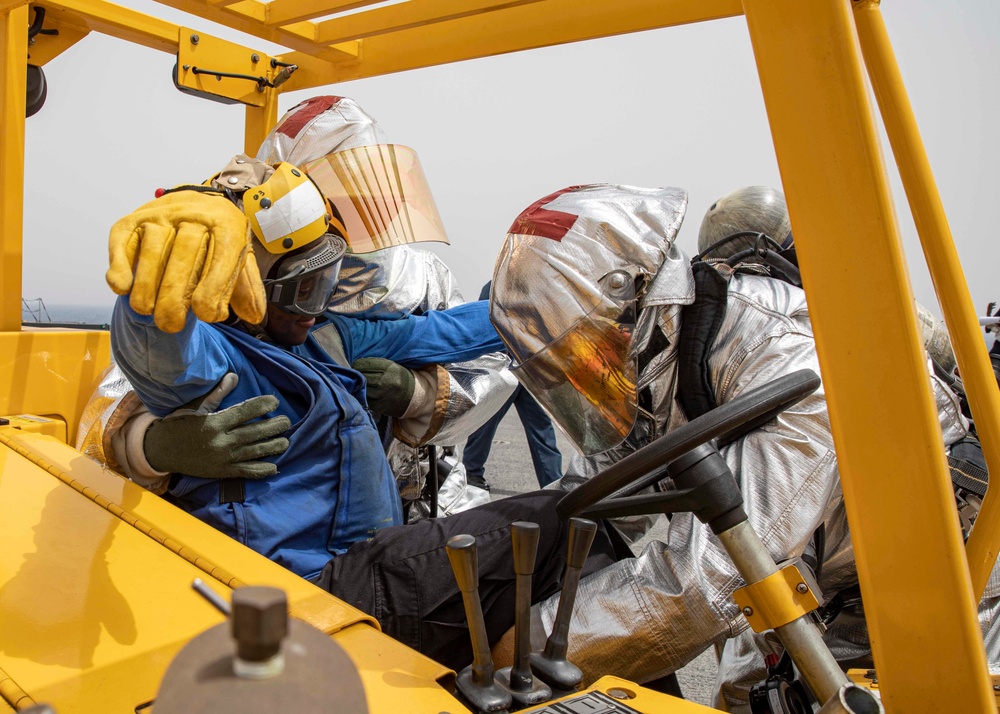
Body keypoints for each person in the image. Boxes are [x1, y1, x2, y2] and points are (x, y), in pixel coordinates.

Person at [488, 183, 1000, 709]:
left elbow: (703, 584)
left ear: (629, 303)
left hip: (941, 602)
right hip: (817, 586)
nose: (588, 376)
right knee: (743, 698)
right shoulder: (662, 357)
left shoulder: (787, 353)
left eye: (586, 352)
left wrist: (520, 651)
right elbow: (592, 495)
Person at [103, 153, 616, 672]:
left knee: (570, 532)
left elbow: (439, 333)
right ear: (248, 282)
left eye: (325, 283)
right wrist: (163, 260)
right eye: (301, 289)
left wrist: (546, 298)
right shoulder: (221, 362)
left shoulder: (327, 335)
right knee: (562, 520)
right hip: (300, 593)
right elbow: (155, 340)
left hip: (365, 566)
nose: (314, 305)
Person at [78, 96, 513, 514]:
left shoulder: (421, 276)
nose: (356, 216)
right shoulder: (230, 280)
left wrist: (420, 395)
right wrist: (153, 445)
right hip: (284, 518)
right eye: (336, 201)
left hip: (421, 497)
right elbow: (146, 369)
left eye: (366, 197)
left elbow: (484, 352)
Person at [463, 280, 562, 490]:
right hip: (505, 367)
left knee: (541, 427)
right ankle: (471, 473)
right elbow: (486, 321)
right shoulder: (496, 285)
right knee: (487, 420)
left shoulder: (539, 288)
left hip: (530, 369)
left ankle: (553, 483)